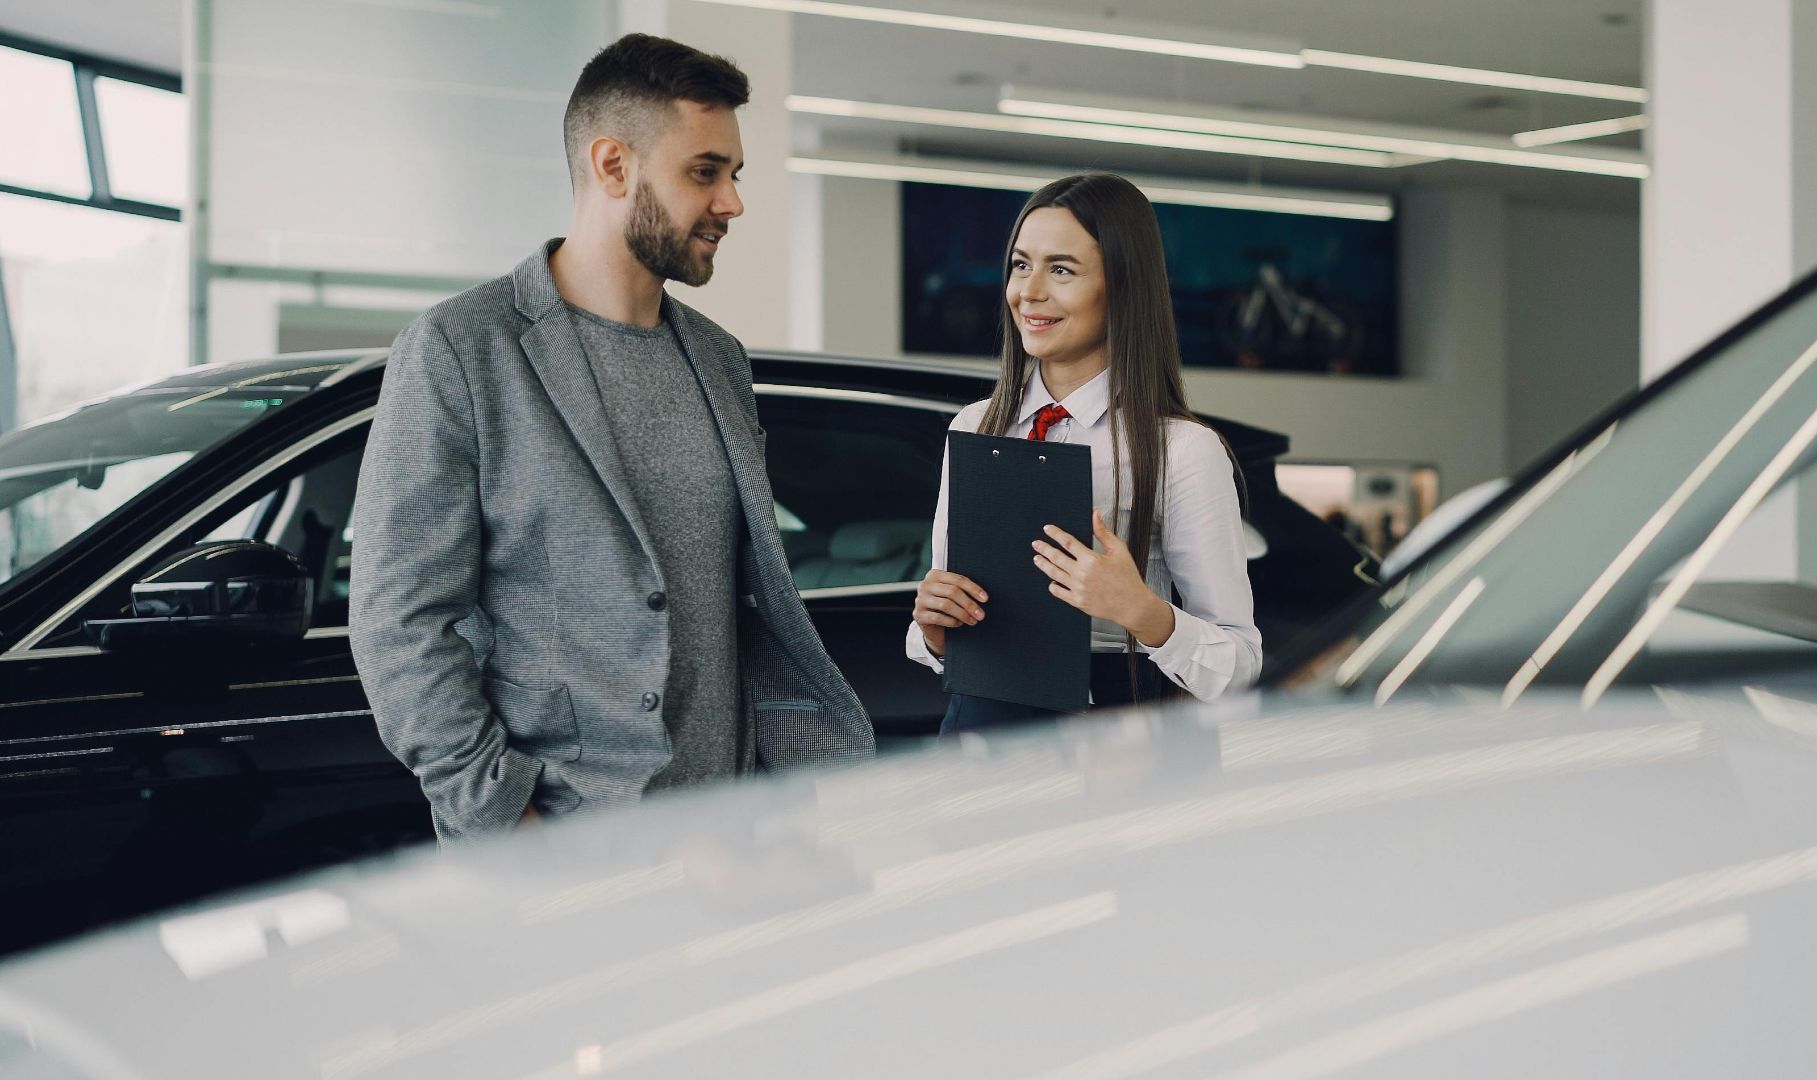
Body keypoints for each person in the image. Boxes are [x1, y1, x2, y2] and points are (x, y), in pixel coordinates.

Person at [351, 34, 873, 844]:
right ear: (613, 165)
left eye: (733, 176)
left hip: (725, 843)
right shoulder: (464, 347)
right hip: (565, 840)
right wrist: (504, 814)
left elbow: (745, 602)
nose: (731, 203)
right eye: (706, 172)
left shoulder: (719, 358)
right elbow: (401, 617)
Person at [906, 173, 1262, 733]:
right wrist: (933, 627)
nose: (1030, 291)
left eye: (1062, 270)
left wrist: (1141, 611)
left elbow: (1239, 666)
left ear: (1121, 286)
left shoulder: (1183, 451)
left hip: (1122, 743)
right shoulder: (975, 426)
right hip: (983, 736)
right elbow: (944, 617)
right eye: (1021, 265)